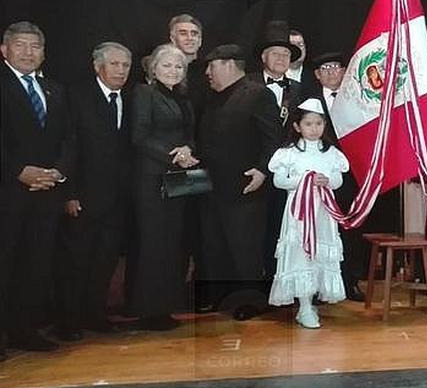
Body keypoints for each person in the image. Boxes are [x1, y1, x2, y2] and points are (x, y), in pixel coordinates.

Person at [0, 21, 72, 356]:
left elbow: (70, 138)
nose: (29, 52)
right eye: (21, 45)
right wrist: (18, 171)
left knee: (36, 265)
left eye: (35, 47)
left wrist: (58, 171)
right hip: (8, 193)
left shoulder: (55, 89)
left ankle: (24, 330)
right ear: (5, 50)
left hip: (46, 193)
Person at [198, 44, 281, 318]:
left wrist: (262, 170)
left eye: (212, 66)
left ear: (230, 64)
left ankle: (252, 301)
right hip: (213, 188)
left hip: (246, 188)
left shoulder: (258, 94)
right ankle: (222, 297)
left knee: (244, 247)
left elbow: (273, 140)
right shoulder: (213, 98)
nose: (208, 73)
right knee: (215, 245)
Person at [59, 41, 133, 338]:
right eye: (114, 64)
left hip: (117, 200)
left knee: (104, 260)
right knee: (76, 260)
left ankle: (95, 314)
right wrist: (69, 192)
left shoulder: (129, 97)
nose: (120, 70)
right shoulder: (76, 96)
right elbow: (68, 145)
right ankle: (68, 320)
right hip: (83, 197)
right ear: (96, 66)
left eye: (125, 65)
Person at [130, 43, 198, 330]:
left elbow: (191, 135)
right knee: (153, 244)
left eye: (179, 66)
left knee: (172, 243)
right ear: (153, 68)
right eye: (167, 65)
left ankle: (165, 306)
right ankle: (149, 311)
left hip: (179, 179)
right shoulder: (144, 93)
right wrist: (175, 154)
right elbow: (139, 136)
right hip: (152, 179)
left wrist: (188, 149)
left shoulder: (183, 98)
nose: (173, 70)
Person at [268, 99, 349, 328]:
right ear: (297, 127)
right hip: (299, 215)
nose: (314, 129)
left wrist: (326, 180)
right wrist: (303, 180)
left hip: (323, 213)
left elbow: (338, 180)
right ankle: (303, 306)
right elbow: (279, 181)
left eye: (318, 124)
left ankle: (311, 300)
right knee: (301, 253)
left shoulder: (331, 153)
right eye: (308, 124)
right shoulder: (288, 153)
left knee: (320, 252)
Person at [305, 50, 365, 301]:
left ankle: (350, 281)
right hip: (320, 178)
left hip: (353, 175)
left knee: (350, 228)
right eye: (325, 69)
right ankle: (319, 285)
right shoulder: (309, 104)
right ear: (318, 76)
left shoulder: (359, 98)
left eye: (336, 67)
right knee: (319, 230)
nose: (331, 72)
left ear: (344, 71)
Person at [250, 21, 304, 278]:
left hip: (287, 174)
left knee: (281, 227)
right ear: (263, 57)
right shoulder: (247, 86)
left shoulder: (298, 90)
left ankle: (280, 278)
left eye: (286, 54)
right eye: (276, 53)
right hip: (254, 169)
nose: (281, 58)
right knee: (253, 229)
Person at [168, 14, 208, 114]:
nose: (189, 38)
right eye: (183, 33)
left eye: (194, 33)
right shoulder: (163, 71)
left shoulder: (210, 70)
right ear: (173, 39)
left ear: (200, 41)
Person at [286, 28, 316, 95]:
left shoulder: (315, 77)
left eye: (300, 44)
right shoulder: (274, 75)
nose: (297, 49)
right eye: (292, 45)